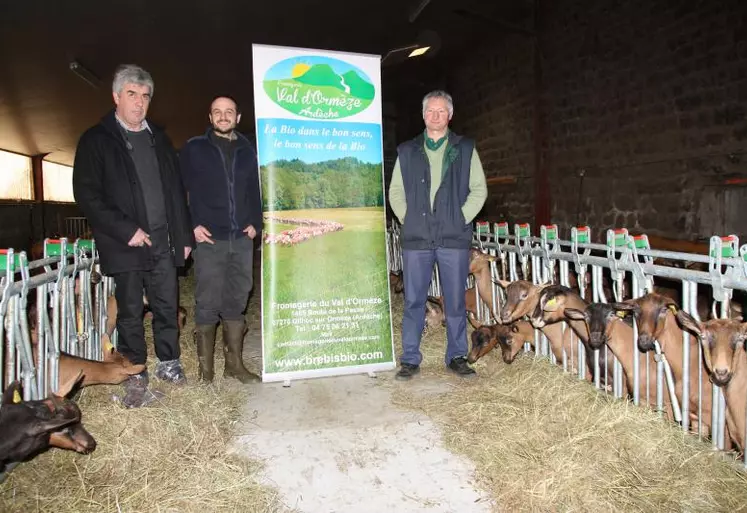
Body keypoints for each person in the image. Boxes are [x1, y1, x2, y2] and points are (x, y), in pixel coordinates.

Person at [73, 64, 195, 407]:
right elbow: (87, 194)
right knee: (128, 311)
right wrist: (127, 229)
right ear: (116, 97)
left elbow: (175, 191)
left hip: (163, 239)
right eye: (131, 94)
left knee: (166, 306)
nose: (139, 103)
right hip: (126, 243)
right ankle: (135, 369)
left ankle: (169, 364)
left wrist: (183, 234)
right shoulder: (96, 140)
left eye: (144, 96)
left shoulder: (160, 139)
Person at [388, 90, 488, 380]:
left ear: (450, 115)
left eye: (441, 111)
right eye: (430, 111)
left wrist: (460, 218)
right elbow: (395, 192)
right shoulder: (407, 151)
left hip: (452, 238)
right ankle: (410, 358)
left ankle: (456, 356)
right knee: (414, 300)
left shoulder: (465, 148)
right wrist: (408, 219)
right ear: (423, 115)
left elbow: (479, 189)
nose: (435, 116)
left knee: (455, 300)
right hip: (417, 238)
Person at [179, 95, 262, 384]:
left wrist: (256, 222)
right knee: (208, 301)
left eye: (229, 112)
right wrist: (191, 226)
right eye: (218, 112)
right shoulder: (194, 149)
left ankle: (234, 366)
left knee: (238, 298)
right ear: (210, 117)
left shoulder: (248, 150)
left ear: (238, 117)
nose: (223, 116)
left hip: (241, 238)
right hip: (209, 238)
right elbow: (178, 191)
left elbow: (255, 189)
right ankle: (206, 374)